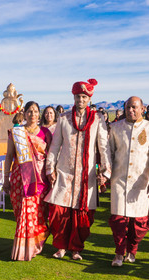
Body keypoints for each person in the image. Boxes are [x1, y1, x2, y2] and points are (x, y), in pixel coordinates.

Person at [45, 79, 111, 260]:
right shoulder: (64, 118)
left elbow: (103, 147)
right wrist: (50, 167)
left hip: (86, 175)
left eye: (84, 96)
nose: (80, 100)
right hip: (64, 172)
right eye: (77, 96)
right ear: (73, 97)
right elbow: (55, 145)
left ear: (89, 98)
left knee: (82, 215)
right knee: (60, 211)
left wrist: (105, 172)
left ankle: (76, 248)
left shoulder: (97, 119)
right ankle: (60, 246)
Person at [108, 97, 149, 266]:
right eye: (128, 107)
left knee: (138, 223)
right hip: (119, 180)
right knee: (118, 221)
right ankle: (118, 253)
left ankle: (132, 250)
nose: (131, 110)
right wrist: (106, 174)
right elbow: (109, 153)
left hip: (141, 181)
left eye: (134, 107)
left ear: (142, 108)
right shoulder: (115, 127)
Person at [3, 101, 52, 260]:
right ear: (24, 114)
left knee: (38, 213)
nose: (32, 114)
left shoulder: (45, 132)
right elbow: (9, 156)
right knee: (23, 212)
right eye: (29, 111)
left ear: (40, 114)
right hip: (21, 178)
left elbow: (51, 157)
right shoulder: (16, 132)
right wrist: (5, 179)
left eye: (35, 111)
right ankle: (24, 248)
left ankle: (36, 244)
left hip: (40, 180)